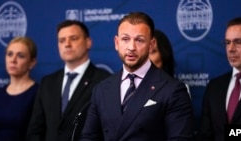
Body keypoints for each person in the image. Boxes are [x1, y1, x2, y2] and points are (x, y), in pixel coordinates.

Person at [80, 12, 194, 141]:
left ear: (151, 44)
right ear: (117, 43)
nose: (131, 47)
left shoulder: (173, 90)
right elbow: (89, 137)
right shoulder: (101, 89)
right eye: (125, 39)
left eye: (139, 40)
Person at [27, 20, 111, 141]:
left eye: (74, 38)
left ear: (88, 42)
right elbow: (35, 130)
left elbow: (107, 129)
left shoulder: (104, 81)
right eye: (62, 40)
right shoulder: (47, 83)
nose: (67, 44)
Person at [198, 17, 241, 141]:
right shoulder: (214, 86)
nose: (231, 49)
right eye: (227, 42)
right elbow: (205, 134)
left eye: (238, 42)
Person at [0, 37, 38, 141]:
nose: (13, 60)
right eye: (9, 54)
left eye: (20, 56)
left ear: (32, 62)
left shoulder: (39, 94)